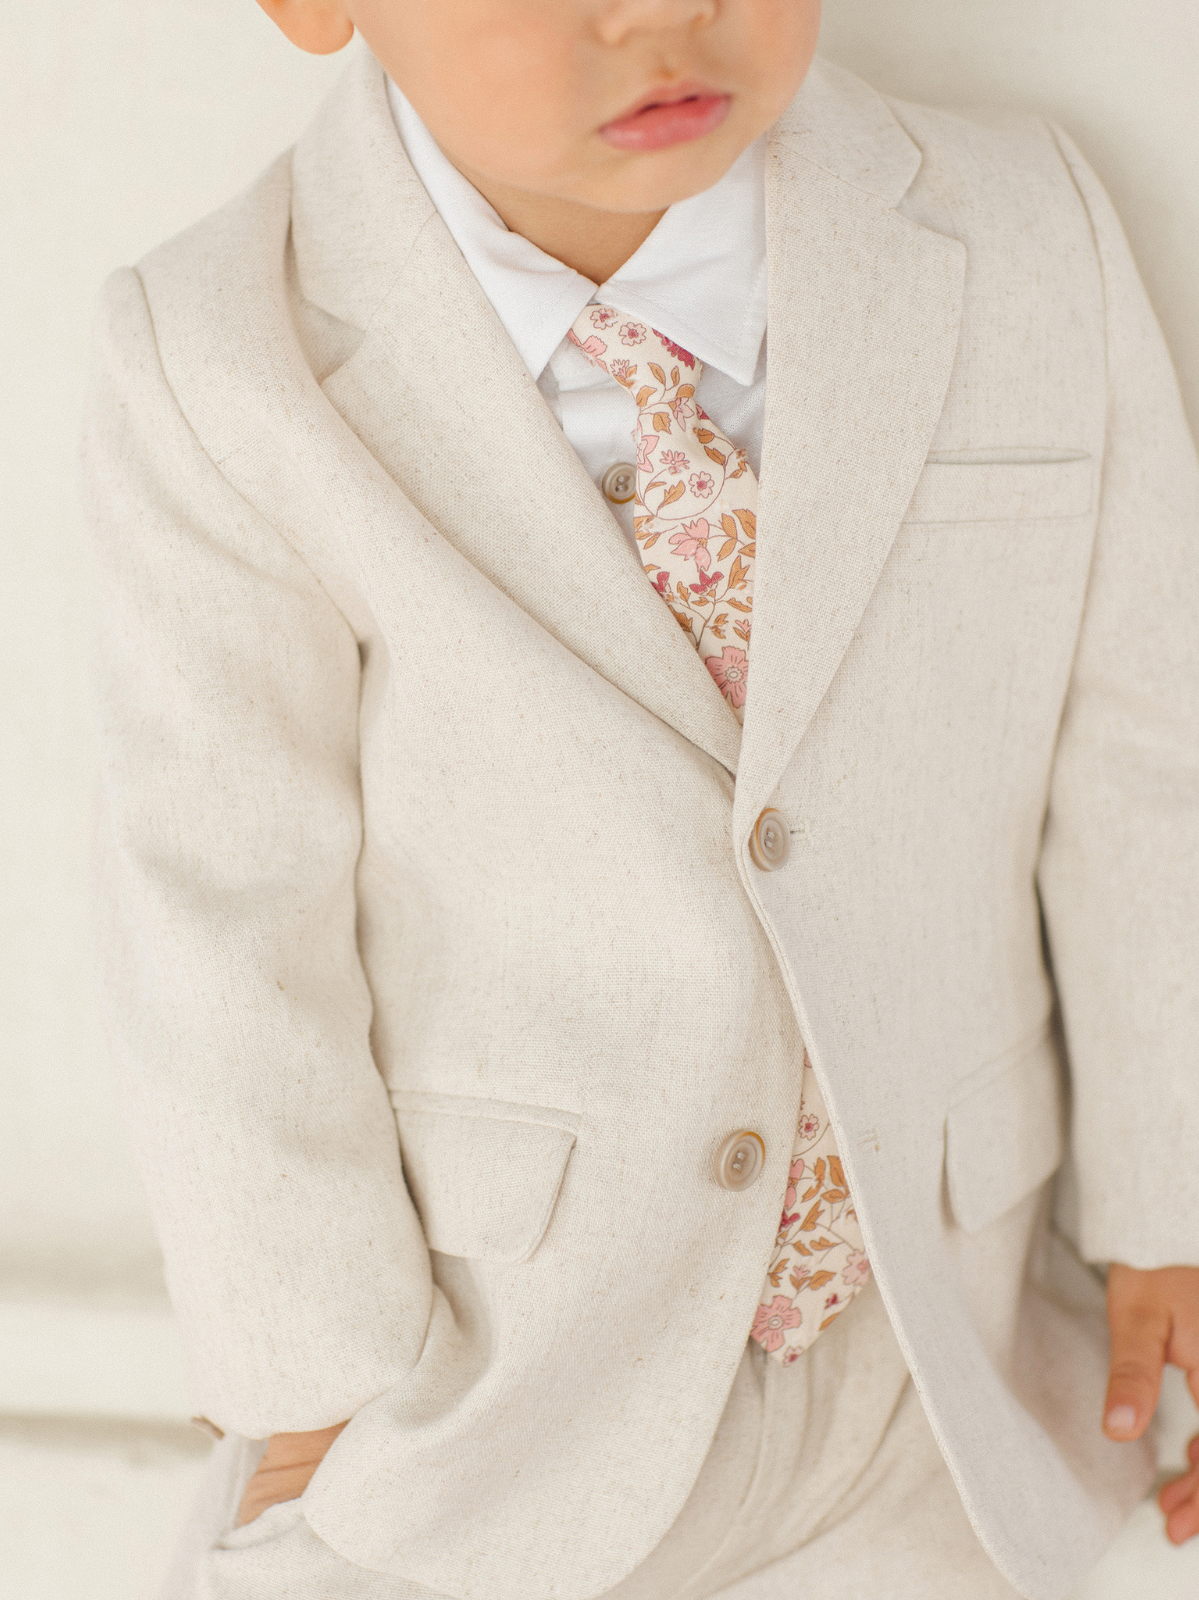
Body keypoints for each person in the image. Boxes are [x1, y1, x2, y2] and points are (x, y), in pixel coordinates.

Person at [81, 1, 1199, 1596]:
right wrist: (305, 1366)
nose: (662, 16)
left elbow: (1148, 747)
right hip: (504, 1381)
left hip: (944, 1351)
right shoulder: (218, 352)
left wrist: (1170, 1191)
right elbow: (218, 891)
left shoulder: (1018, 225)